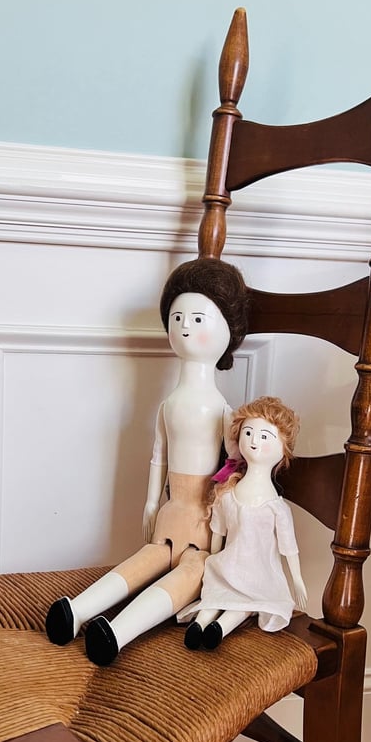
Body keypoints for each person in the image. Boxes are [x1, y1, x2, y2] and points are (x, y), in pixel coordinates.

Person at [45, 257, 250, 665]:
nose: (185, 326)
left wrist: (224, 531)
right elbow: (159, 456)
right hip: (170, 514)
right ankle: (77, 610)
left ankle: (117, 633)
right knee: (144, 559)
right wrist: (152, 502)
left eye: (197, 318)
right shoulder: (168, 404)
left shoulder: (223, 411)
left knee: (190, 573)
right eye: (177, 318)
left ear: (229, 332)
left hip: (204, 523)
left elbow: (232, 469)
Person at [178, 396, 308, 650]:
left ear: (283, 449)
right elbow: (218, 532)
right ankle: (201, 624)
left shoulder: (276, 508)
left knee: (241, 605)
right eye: (248, 433)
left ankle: (217, 628)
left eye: (264, 436)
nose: (254, 441)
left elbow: (289, 548)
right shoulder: (228, 494)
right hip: (233, 567)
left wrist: (297, 579)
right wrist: (210, 561)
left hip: (256, 573)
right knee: (224, 597)